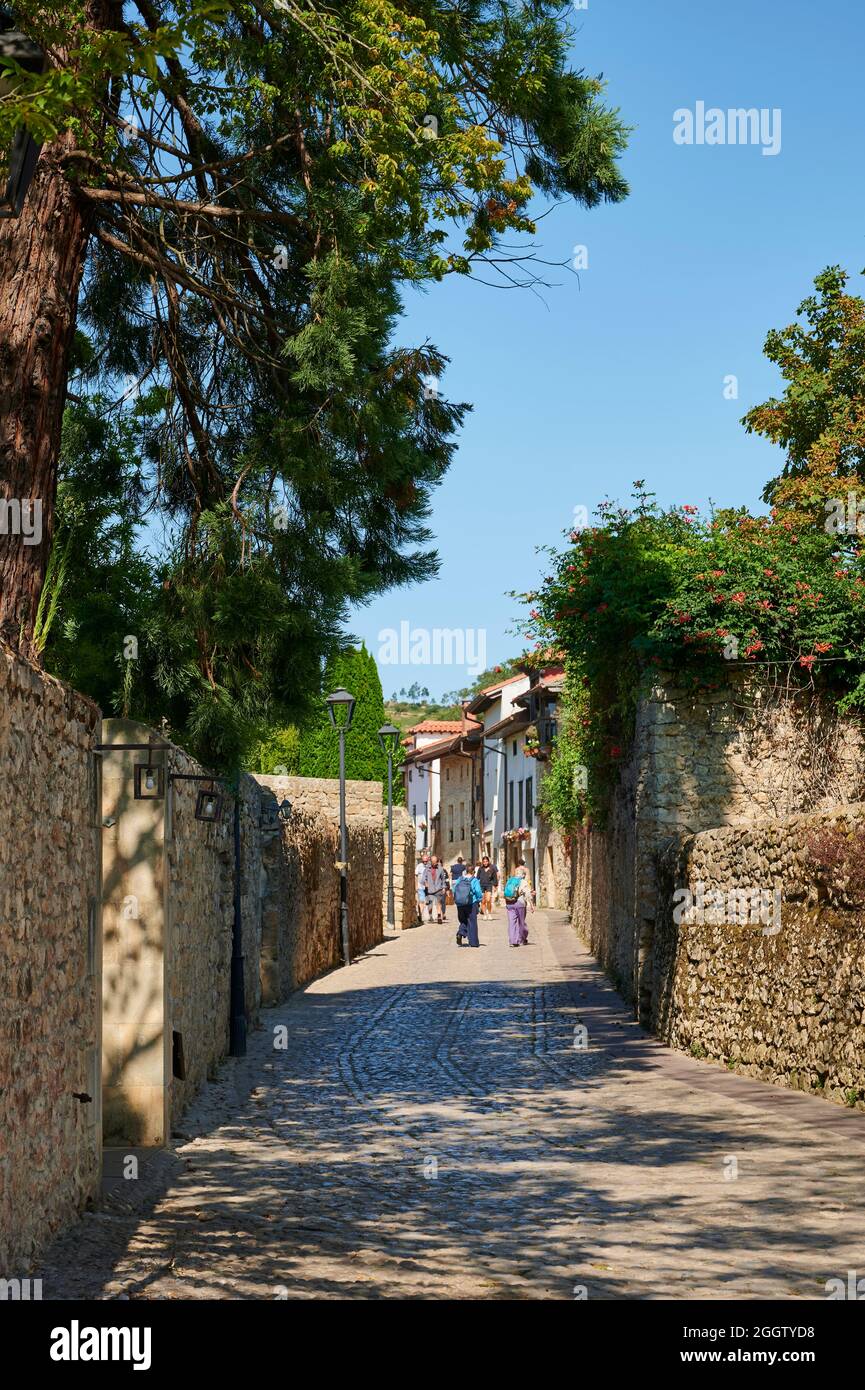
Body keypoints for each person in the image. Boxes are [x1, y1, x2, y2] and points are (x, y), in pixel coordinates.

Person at [503, 861, 534, 947]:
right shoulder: (523, 882)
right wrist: (531, 905)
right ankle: (522, 939)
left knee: (511, 923)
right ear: (523, 875)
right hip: (519, 903)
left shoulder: (510, 880)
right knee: (521, 922)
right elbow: (527, 894)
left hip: (509, 903)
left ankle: (513, 940)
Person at [454, 864, 483, 947]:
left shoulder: (460, 879)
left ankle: (460, 932)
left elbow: (454, 889)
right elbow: (478, 891)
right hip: (471, 903)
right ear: (473, 871)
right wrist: (479, 900)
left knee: (463, 920)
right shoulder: (475, 880)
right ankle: (473, 942)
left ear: (466, 871)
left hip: (460, 904)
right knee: (472, 922)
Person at [420, 855, 448, 924]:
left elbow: (443, 879)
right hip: (429, 889)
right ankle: (430, 916)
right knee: (430, 904)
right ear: (431, 862)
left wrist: (444, 887)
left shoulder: (440, 869)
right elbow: (423, 879)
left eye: (436, 862)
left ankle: (439, 916)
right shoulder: (427, 869)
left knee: (438, 902)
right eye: (434, 862)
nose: (435, 864)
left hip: (438, 888)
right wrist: (425, 883)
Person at [415, 850, 430, 923]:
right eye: (424, 861)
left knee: (427, 902)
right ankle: (420, 915)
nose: (425, 862)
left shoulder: (430, 867)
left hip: (428, 888)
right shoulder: (419, 866)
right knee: (422, 901)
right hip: (421, 887)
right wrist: (416, 885)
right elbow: (416, 876)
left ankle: (424, 914)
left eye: (426, 861)